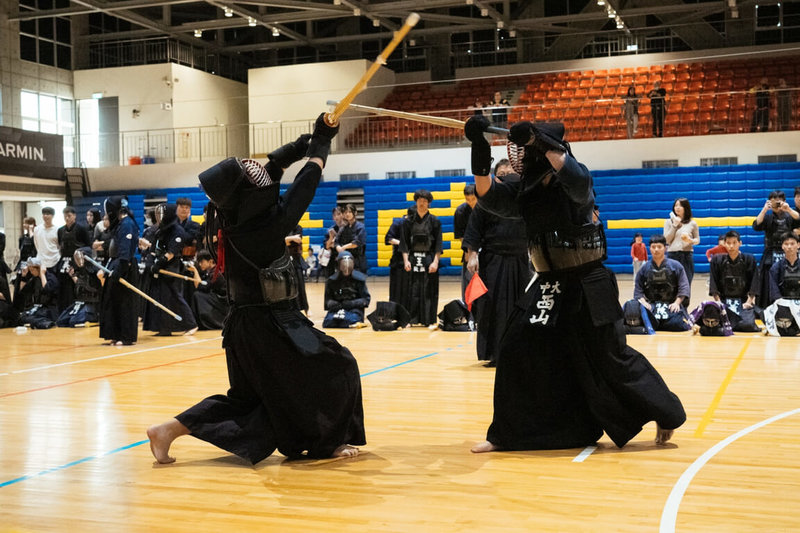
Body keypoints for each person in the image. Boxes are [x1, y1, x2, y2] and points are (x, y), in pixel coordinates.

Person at [146, 116, 365, 464]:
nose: (257, 173)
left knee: (250, 402)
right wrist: (321, 145)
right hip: (271, 325)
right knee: (338, 365)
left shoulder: (234, 218)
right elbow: (303, 189)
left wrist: (290, 152)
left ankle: (167, 430)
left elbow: (265, 180)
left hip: (245, 328)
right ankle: (329, 441)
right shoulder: (264, 226)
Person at [464, 114, 685, 453]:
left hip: (588, 281)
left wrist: (541, 141)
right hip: (549, 282)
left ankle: (666, 412)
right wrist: (479, 146)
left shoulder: (575, 177)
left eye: (527, 149)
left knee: (609, 355)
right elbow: (486, 193)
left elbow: (577, 181)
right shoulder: (526, 190)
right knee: (515, 347)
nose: (518, 157)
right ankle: (507, 434)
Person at [461, 166, 529, 367]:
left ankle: (520, 351)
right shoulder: (485, 203)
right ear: (495, 179)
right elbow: (473, 230)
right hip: (493, 260)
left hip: (520, 259)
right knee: (493, 307)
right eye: (502, 175)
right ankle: (495, 353)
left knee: (521, 306)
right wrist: (472, 254)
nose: (507, 178)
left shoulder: (524, 200)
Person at [142, 203, 198, 336]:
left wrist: (160, 263)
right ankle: (164, 327)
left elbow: (172, 252)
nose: (159, 217)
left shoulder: (178, 231)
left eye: (161, 214)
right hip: (159, 267)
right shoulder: (159, 230)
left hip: (171, 267)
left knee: (174, 296)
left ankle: (191, 324)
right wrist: (150, 262)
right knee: (160, 296)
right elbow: (153, 249)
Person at [97, 196, 140, 345]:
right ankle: (115, 334)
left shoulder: (127, 224)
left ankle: (126, 336)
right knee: (112, 301)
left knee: (125, 303)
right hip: (114, 264)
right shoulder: (121, 224)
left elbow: (125, 249)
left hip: (124, 266)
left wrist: (120, 268)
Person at [400, 189, 443, 327]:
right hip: (413, 258)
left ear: (428, 203)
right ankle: (411, 319)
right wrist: (406, 260)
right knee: (412, 289)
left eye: (425, 201)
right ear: (416, 202)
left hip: (429, 258)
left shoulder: (435, 221)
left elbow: (438, 244)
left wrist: (435, 262)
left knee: (428, 289)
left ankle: (428, 319)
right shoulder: (408, 222)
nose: (422, 203)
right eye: (419, 200)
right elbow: (404, 243)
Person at [633, 235, 692, 331]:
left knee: (678, 324)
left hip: (671, 305)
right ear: (650, 248)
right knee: (642, 320)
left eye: (659, 247)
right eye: (653, 247)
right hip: (652, 306)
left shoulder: (676, 266)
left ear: (665, 248)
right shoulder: (644, 268)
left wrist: (677, 303)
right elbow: (638, 290)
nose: (656, 250)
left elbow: (684, 287)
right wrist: (644, 303)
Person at [753, 190, 799, 308]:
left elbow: (799, 219)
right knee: (767, 278)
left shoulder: (790, 216)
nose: (777, 205)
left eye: (780, 202)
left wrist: (788, 209)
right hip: (770, 251)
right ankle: (767, 305)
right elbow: (756, 225)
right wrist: (764, 209)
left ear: (784, 202)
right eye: (774, 202)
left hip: (787, 251)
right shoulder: (767, 217)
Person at [708, 230, 760, 332]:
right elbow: (713, 284)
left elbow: (754, 282)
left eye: (734, 243)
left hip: (743, 302)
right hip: (724, 302)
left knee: (748, 324)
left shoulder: (749, 259)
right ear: (724, 244)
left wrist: (748, 302)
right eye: (728, 243)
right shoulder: (717, 260)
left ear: (740, 243)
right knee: (712, 321)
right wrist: (719, 303)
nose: (731, 246)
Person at [56, 206, 92, 312]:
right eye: (65, 216)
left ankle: (76, 309)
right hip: (64, 262)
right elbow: (60, 245)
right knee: (63, 287)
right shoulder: (60, 230)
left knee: (75, 286)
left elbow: (88, 246)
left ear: (74, 216)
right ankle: (63, 310)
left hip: (77, 262)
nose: (67, 218)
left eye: (69, 216)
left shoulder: (81, 229)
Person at [323, 251, 371, 328]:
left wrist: (352, 303)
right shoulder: (331, 281)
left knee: (350, 320)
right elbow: (327, 300)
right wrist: (333, 303)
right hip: (337, 309)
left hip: (354, 309)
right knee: (329, 322)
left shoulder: (359, 280)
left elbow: (366, 300)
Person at [57, 246, 101, 327]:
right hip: (79, 302)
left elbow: (94, 288)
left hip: (91, 303)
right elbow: (80, 285)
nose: (77, 260)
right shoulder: (79, 270)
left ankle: (94, 317)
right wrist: (73, 276)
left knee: (74, 321)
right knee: (61, 321)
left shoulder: (95, 271)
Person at [187, 249, 228, 330]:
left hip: (223, 301)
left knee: (198, 295)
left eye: (202, 262)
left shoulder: (216, 273)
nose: (200, 264)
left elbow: (200, 286)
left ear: (210, 261)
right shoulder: (211, 271)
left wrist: (195, 271)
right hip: (217, 297)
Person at [664, 197, 699, 286]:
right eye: (676, 205)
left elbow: (697, 240)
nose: (677, 207)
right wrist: (674, 225)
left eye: (680, 205)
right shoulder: (668, 222)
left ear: (686, 208)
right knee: (672, 283)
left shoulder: (692, 223)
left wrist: (690, 240)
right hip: (673, 255)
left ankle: (686, 300)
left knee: (686, 283)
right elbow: (666, 240)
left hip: (686, 255)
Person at [16, 256, 59, 328]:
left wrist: (42, 274)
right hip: (38, 308)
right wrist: (23, 277)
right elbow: (22, 291)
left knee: (32, 318)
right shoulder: (35, 279)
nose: (31, 272)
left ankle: (46, 322)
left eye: (32, 270)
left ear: (38, 268)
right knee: (21, 318)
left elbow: (47, 289)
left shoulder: (51, 278)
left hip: (49, 309)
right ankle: (39, 322)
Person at [454, 183, 478, 301]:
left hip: (485, 250)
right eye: (467, 199)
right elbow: (460, 235)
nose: (471, 202)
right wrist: (467, 251)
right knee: (468, 282)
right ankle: (469, 313)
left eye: (473, 199)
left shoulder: (485, 208)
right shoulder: (461, 211)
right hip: (468, 250)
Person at [385, 208, 412, 304]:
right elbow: (388, 238)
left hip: (411, 260)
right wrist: (402, 243)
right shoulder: (397, 223)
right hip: (398, 260)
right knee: (396, 289)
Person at [768, 232, 800, 304]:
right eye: (786, 244)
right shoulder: (776, 267)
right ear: (782, 246)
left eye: (792, 244)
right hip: (783, 304)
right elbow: (774, 292)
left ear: (798, 245)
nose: (789, 247)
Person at [335, 204, 367, 274]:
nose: (347, 214)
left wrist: (344, 247)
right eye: (346, 212)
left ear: (355, 213)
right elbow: (337, 241)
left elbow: (357, 242)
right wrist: (338, 248)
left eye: (349, 212)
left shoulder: (361, 227)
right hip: (345, 260)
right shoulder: (343, 228)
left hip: (358, 261)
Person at [285, 224, 309, 314]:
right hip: (285, 259)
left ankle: (306, 308)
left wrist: (287, 239)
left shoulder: (298, 228)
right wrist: (291, 239)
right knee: (288, 285)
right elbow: (283, 242)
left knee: (300, 285)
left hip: (297, 260)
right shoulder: (283, 226)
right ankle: (291, 308)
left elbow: (297, 240)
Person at [322, 206, 343, 278]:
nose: (336, 217)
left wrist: (334, 244)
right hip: (332, 261)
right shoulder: (331, 230)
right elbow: (327, 246)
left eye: (338, 214)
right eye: (334, 215)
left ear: (342, 215)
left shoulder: (347, 228)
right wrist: (331, 237)